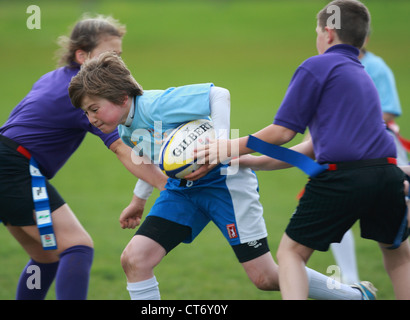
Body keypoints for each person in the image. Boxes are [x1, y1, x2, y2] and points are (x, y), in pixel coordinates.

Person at [68, 51, 376, 300]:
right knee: (134, 260)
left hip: (225, 183)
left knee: (265, 277)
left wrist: (221, 147)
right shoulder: (125, 128)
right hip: (182, 190)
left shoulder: (156, 104)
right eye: (86, 113)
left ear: (122, 98)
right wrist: (139, 200)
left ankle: (353, 296)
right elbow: (155, 158)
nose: (91, 118)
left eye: (94, 108)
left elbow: (219, 94)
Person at [192, 0, 410, 299]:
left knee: (291, 253)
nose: (317, 38)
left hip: (342, 179)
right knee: (398, 255)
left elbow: (282, 132)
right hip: (386, 176)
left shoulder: (317, 65)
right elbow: (311, 147)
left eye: (317, 31)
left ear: (329, 33)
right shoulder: (361, 74)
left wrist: (227, 147)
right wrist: (251, 161)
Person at [0, 14, 166, 300]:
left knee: (46, 258)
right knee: (77, 246)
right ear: (82, 55)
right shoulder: (83, 93)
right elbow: (124, 150)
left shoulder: (55, 78)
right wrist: (168, 187)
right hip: (12, 170)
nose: (120, 62)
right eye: (110, 53)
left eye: (120, 55)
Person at [330, 31, 409, 285]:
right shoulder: (330, 67)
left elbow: (389, 110)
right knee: (332, 209)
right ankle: (351, 281)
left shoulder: (376, 67)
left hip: (382, 150)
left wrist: (347, 126)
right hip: (345, 151)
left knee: (396, 225)